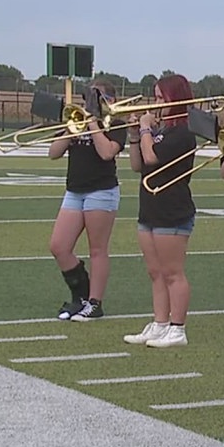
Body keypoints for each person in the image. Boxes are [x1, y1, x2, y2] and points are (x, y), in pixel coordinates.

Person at [123, 74, 198, 347]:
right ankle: (160, 322)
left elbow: (153, 158)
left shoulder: (182, 134)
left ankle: (178, 329)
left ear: (174, 99)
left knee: (172, 272)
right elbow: (137, 164)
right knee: (155, 271)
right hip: (150, 207)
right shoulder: (160, 130)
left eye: (159, 97)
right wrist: (134, 136)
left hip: (172, 209)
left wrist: (144, 130)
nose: (155, 103)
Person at [49, 79, 126, 321]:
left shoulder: (117, 123)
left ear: (109, 100)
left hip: (101, 190)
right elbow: (53, 153)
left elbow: (107, 152)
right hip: (75, 190)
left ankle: (95, 303)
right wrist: (70, 128)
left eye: (96, 97)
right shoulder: (77, 122)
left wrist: (93, 122)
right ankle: (80, 297)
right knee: (59, 246)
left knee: (97, 249)